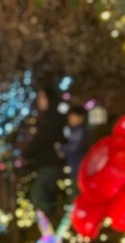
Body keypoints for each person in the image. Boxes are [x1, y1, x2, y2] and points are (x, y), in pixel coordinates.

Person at [23, 85, 65, 220]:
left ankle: (48, 225)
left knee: (39, 195)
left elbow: (42, 139)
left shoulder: (53, 118)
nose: (39, 101)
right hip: (45, 163)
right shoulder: (46, 118)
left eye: (42, 97)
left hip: (50, 163)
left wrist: (28, 152)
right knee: (47, 194)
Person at [60, 104, 88, 186]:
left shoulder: (80, 131)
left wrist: (61, 149)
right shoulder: (74, 131)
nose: (69, 118)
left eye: (72, 116)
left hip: (78, 168)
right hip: (76, 168)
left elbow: (74, 148)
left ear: (81, 118)